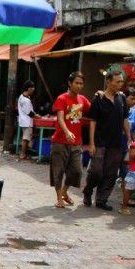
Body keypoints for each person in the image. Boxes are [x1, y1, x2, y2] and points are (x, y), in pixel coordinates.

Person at [83, 70, 132, 211]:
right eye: (117, 81)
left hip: (116, 143)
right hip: (99, 142)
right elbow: (93, 121)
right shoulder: (98, 99)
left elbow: (125, 119)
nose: (120, 84)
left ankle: (101, 200)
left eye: (121, 81)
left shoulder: (122, 99)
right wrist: (91, 143)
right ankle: (88, 191)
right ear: (109, 82)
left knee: (111, 173)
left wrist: (129, 137)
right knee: (96, 171)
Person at [50, 72, 91, 208]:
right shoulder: (62, 99)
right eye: (76, 83)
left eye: (81, 83)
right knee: (58, 171)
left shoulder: (83, 100)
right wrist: (67, 131)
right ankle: (59, 198)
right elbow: (60, 117)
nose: (79, 86)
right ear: (70, 83)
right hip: (60, 141)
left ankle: (64, 192)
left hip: (76, 142)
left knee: (76, 171)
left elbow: (93, 110)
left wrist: (100, 95)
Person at [119, 89, 135, 208]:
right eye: (131, 98)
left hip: (126, 146)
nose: (134, 101)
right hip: (116, 144)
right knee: (110, 172)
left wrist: (134, 144)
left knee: (125, 173)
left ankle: (126, 199)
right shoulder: (119, 108)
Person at [17, 80, 38, 160]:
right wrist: (37, 115)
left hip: (24, 120)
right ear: (29, 89)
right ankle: (22, 154)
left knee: (26, 137)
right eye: (32, 89)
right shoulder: (26, 100)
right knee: (26, 138)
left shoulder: (22, 97)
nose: (33, 90)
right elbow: (29, 112)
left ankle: (24, 152)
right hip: (27, 121)